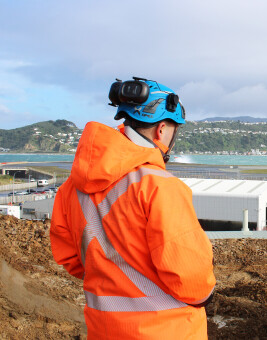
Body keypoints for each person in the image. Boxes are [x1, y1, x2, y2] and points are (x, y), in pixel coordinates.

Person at [50, 77, 216, 339]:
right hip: (167, 329)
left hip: (103, 328)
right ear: (162, 129)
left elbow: (72, 260)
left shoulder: (71, 188)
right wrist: (205, 295)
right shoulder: (160, 187)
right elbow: (189, 275)